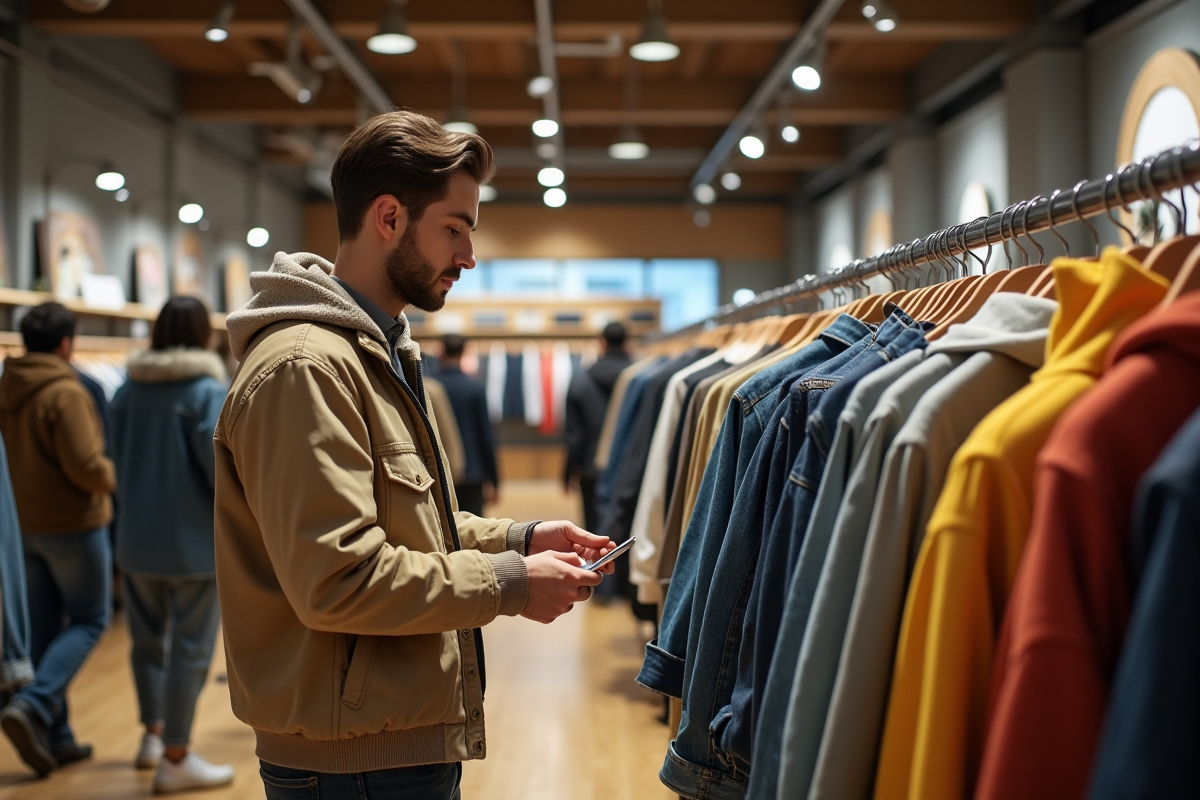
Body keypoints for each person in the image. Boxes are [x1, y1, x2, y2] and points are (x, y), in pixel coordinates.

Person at [213, 109, 614, 800]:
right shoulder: (308, 367)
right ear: (390, 217)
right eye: (454, 229)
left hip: (381, 742)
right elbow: (339, 579)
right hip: (355, 766)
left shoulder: (374, 351)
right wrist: (510, 583)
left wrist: (520, 538)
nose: (469, 256)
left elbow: (406, 524)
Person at [108, 296, 234, 794]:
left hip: (135, 541)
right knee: (190, 649)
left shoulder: (124, 392)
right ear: (202, 333)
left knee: (146, 645)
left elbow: (113, 459)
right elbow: (219, 468)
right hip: (193, 545)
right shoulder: (206, 391)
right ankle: (177, 756)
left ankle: (153, 737)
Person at [0, 302, 116, 777]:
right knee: (91, 619)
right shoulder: (65, 392)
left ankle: (59, 736)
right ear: (67, 342)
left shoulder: (7, 386)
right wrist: (114, 475)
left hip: (21, 528)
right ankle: (33, 705)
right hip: (73, 526)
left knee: (46, 629)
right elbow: (87, 466)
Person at [564, 322, 632, 532]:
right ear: (627, 344)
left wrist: (568, 472)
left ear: (601, 343)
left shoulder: (581, 381)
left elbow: (575, 435)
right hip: (630, 468)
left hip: (591, 467)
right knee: (628, 528)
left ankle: (597, 565)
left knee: (593, 530)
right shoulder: (642, 380)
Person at [436, 334, 499, 516]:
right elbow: (485, 436)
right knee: (473, 531)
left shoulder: (428, 385)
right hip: (473, 471)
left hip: (439, 470)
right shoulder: (475, 387)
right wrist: (494, 480)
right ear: (464, 352)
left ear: (442, 352)